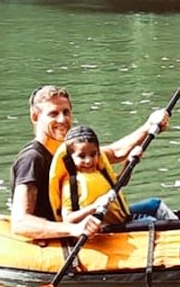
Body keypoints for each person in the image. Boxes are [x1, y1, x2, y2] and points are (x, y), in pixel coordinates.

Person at [9, 85, 169, 239]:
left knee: (154, 206)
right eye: (53, 114)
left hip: (94, 215)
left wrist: (149, 125)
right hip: (69, 229)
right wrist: (74, 229)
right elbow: (20, 222)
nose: (62, 119)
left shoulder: (69, 149)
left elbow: (115, 152)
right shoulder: (31, 159)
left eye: (66, 112)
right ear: (35, 117)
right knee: (152, 224)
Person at [48, 124, 176, 227]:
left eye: (93, 154)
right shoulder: (72, 184)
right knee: (153, 222)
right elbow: (68, 220)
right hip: (111, 226)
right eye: (81, 156)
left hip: (123, 215)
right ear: (70, 158)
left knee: (156, 204)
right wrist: (94, 207)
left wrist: (129, 162)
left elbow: (121, 183)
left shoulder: (100, 171)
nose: (88, 161)